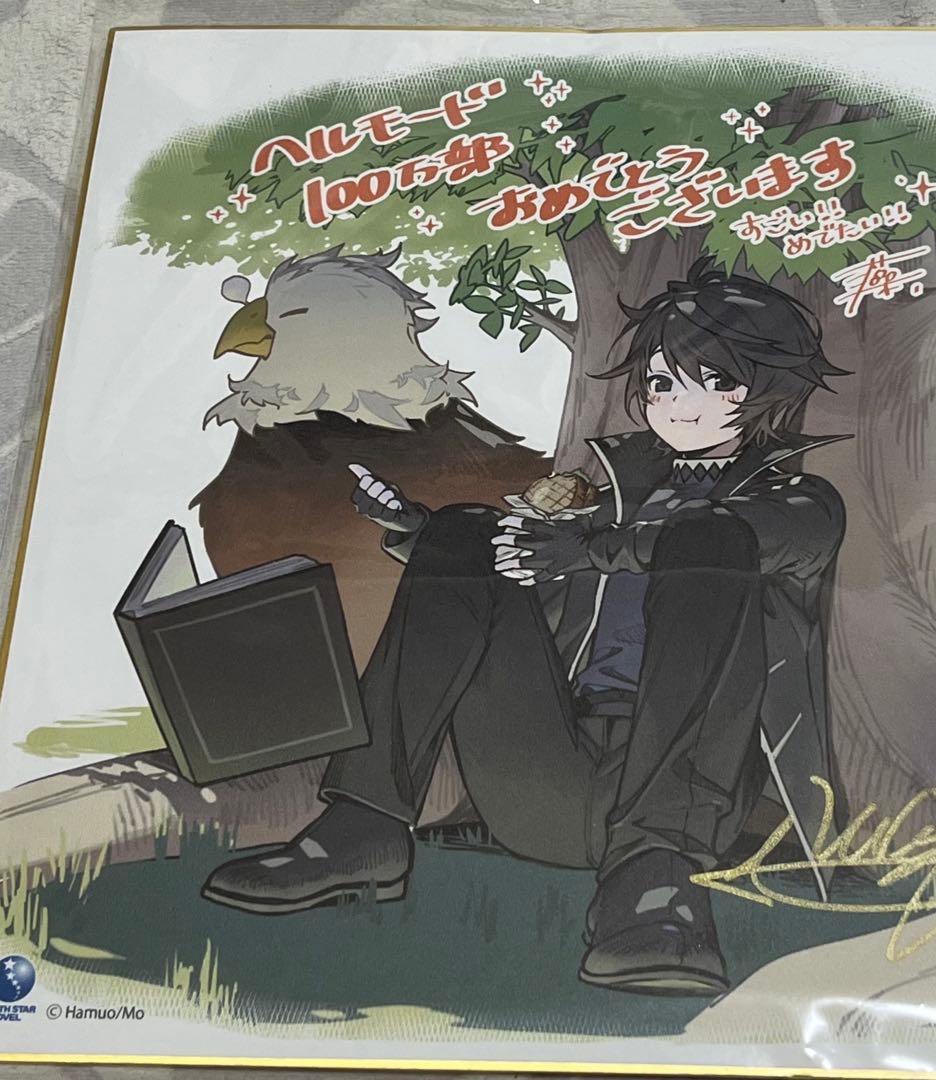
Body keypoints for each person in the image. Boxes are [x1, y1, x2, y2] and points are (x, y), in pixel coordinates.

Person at [201, 257, 849, 996]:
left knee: (711, 548)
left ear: (764, 390)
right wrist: (423, 536)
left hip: (691, 800)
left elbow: (723, 539)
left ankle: (654, 896)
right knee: (467, 529)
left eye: (712, 381)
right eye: (662, 382)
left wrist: (592, 548)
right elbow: (521, 584)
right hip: (547, 781)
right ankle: (365, 828)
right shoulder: (605, 496)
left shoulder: (801, 504)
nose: (675, 402)